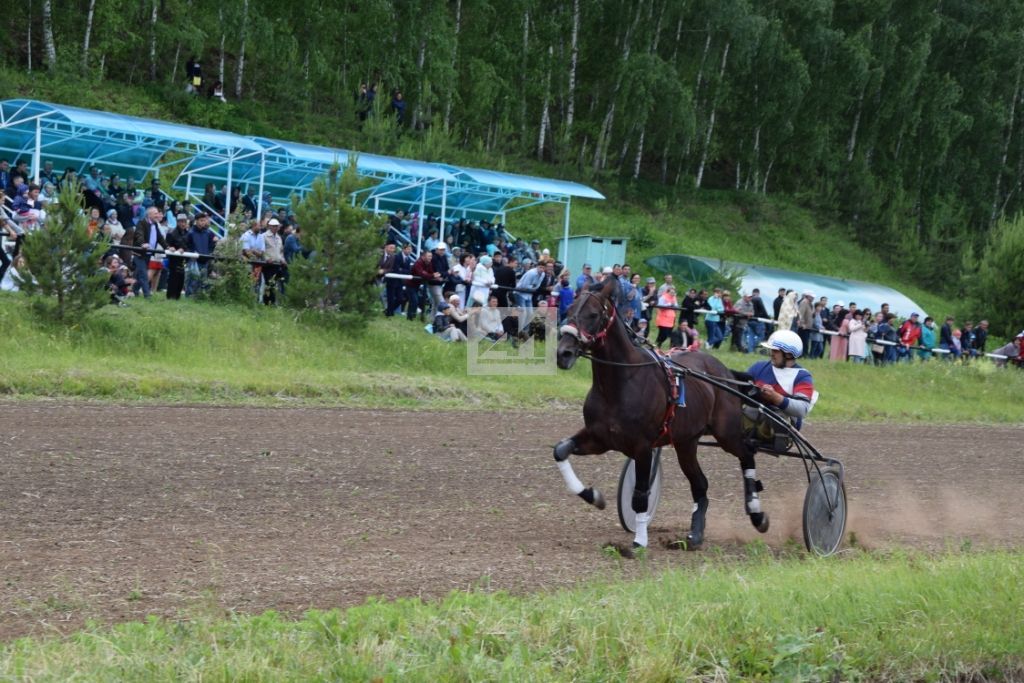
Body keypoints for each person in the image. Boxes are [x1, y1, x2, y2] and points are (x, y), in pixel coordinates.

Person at [746, 330, 817, 443]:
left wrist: (776, 397)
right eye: (771, 350)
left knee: (776, 415)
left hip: (780, 426)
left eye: (775, 351)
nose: (771, 354)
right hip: (754, 416)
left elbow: (802, 409)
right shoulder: (758, 367)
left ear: (788, 354)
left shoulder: (802, 376)